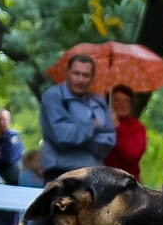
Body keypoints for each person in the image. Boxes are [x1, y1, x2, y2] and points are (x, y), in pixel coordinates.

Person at [104, 85, 148, 225]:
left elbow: (132, 154)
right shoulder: (101, 124)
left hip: (129, 194)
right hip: (104, 193)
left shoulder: (135, 127)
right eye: (115, 99)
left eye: (124, 100)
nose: (119, 103)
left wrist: (118, 129)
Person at [39, 53, 115, 181]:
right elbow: (62, 137)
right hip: (60, 172)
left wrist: (79, 134)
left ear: (92, 77)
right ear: (67, 73)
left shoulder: (99, 101)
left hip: (93, 173)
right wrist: (93, 126)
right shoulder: (53, 96)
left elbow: (109, 141)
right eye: (76, 73)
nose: (80, 79)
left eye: (85, 75)